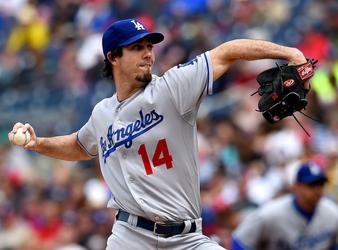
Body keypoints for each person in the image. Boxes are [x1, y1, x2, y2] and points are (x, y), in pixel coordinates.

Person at [8, 18, 311, 250]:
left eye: (149, 47)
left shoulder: (172, 87)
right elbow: (78, 145)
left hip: (187, 238)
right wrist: (38, 143)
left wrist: (289, 53)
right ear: (113, 57)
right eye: (137, 48)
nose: (148, 54)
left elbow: (227, 52)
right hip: (131, 237)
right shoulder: (102, 113)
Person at [231, 161, 338, 250]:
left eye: (321, 184)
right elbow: (239, 241)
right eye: (311, 185)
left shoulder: (332, 212)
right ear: (296, 187)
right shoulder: (270, 214)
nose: (317, 190)